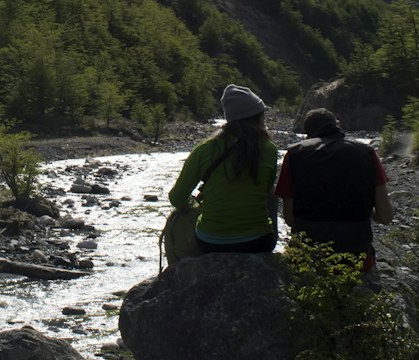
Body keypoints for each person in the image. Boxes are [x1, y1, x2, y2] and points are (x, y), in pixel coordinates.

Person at [275, 108, 393, 270]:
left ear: (307, 133)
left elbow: (289, 219)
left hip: (307, 260)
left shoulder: (294, 154)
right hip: (357, 261)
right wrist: (362, 206)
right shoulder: (367, 152)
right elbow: (385, 217)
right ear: (337, 124)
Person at [167, 84, 280, 254]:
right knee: (273, 193)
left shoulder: (205, 149)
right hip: (259, 242)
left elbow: (176, 198)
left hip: (210, 241)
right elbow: (266, 191)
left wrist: (194, 203)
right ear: (257, 118)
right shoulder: (269, 149)